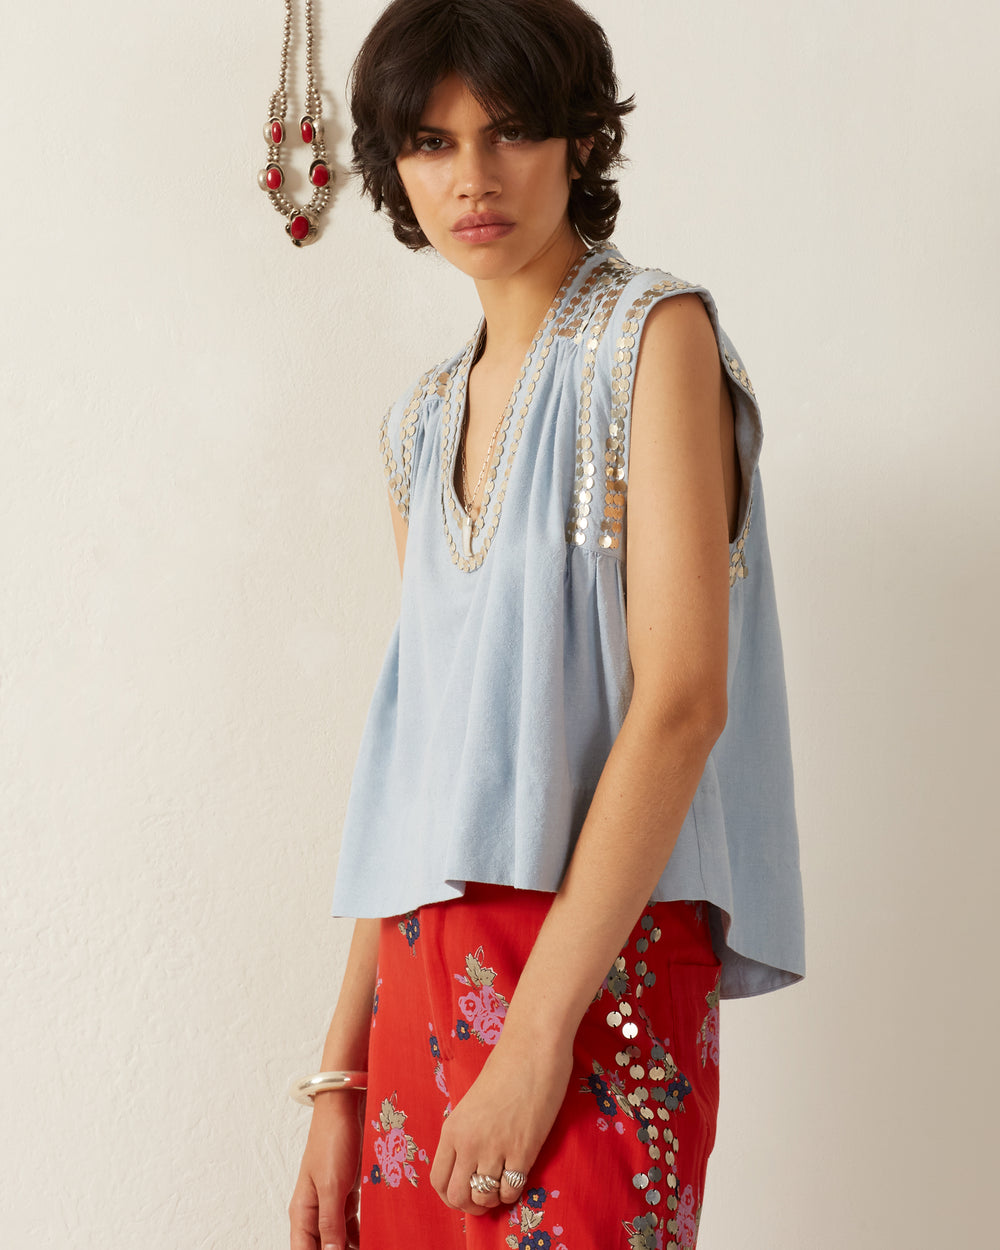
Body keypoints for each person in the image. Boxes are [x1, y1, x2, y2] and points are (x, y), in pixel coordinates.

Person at [289, 2, 804, 1248]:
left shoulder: (654, 337)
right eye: (429, 141)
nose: (471, 177)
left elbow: (682, 700)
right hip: (420, 966)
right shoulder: (418, 421)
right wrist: (338, 1075)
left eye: (510, 129)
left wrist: (533, 1041)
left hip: (598, 959)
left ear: (579, 137)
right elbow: (419, 760)